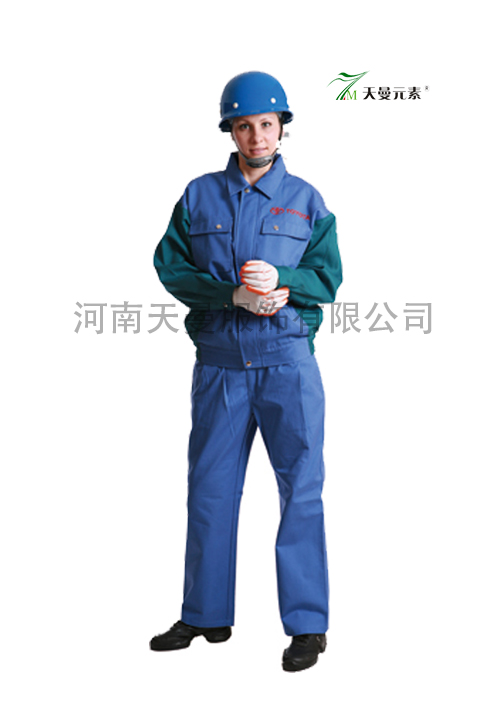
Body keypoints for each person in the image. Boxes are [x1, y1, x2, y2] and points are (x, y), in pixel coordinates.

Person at [150, 71, 342, 672]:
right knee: (209, 490)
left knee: (301, 491)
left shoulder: (307, 200)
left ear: (282, 128)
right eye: (243, 125)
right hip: (221, 368)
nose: (256, 135)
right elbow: (170, 267)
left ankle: (307, 626)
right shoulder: (198, 195)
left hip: (288, 366)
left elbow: (328, 278)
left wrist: (286, 282)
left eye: (266, 123)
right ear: (229, 131)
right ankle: (204, 614)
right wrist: (229, 295)